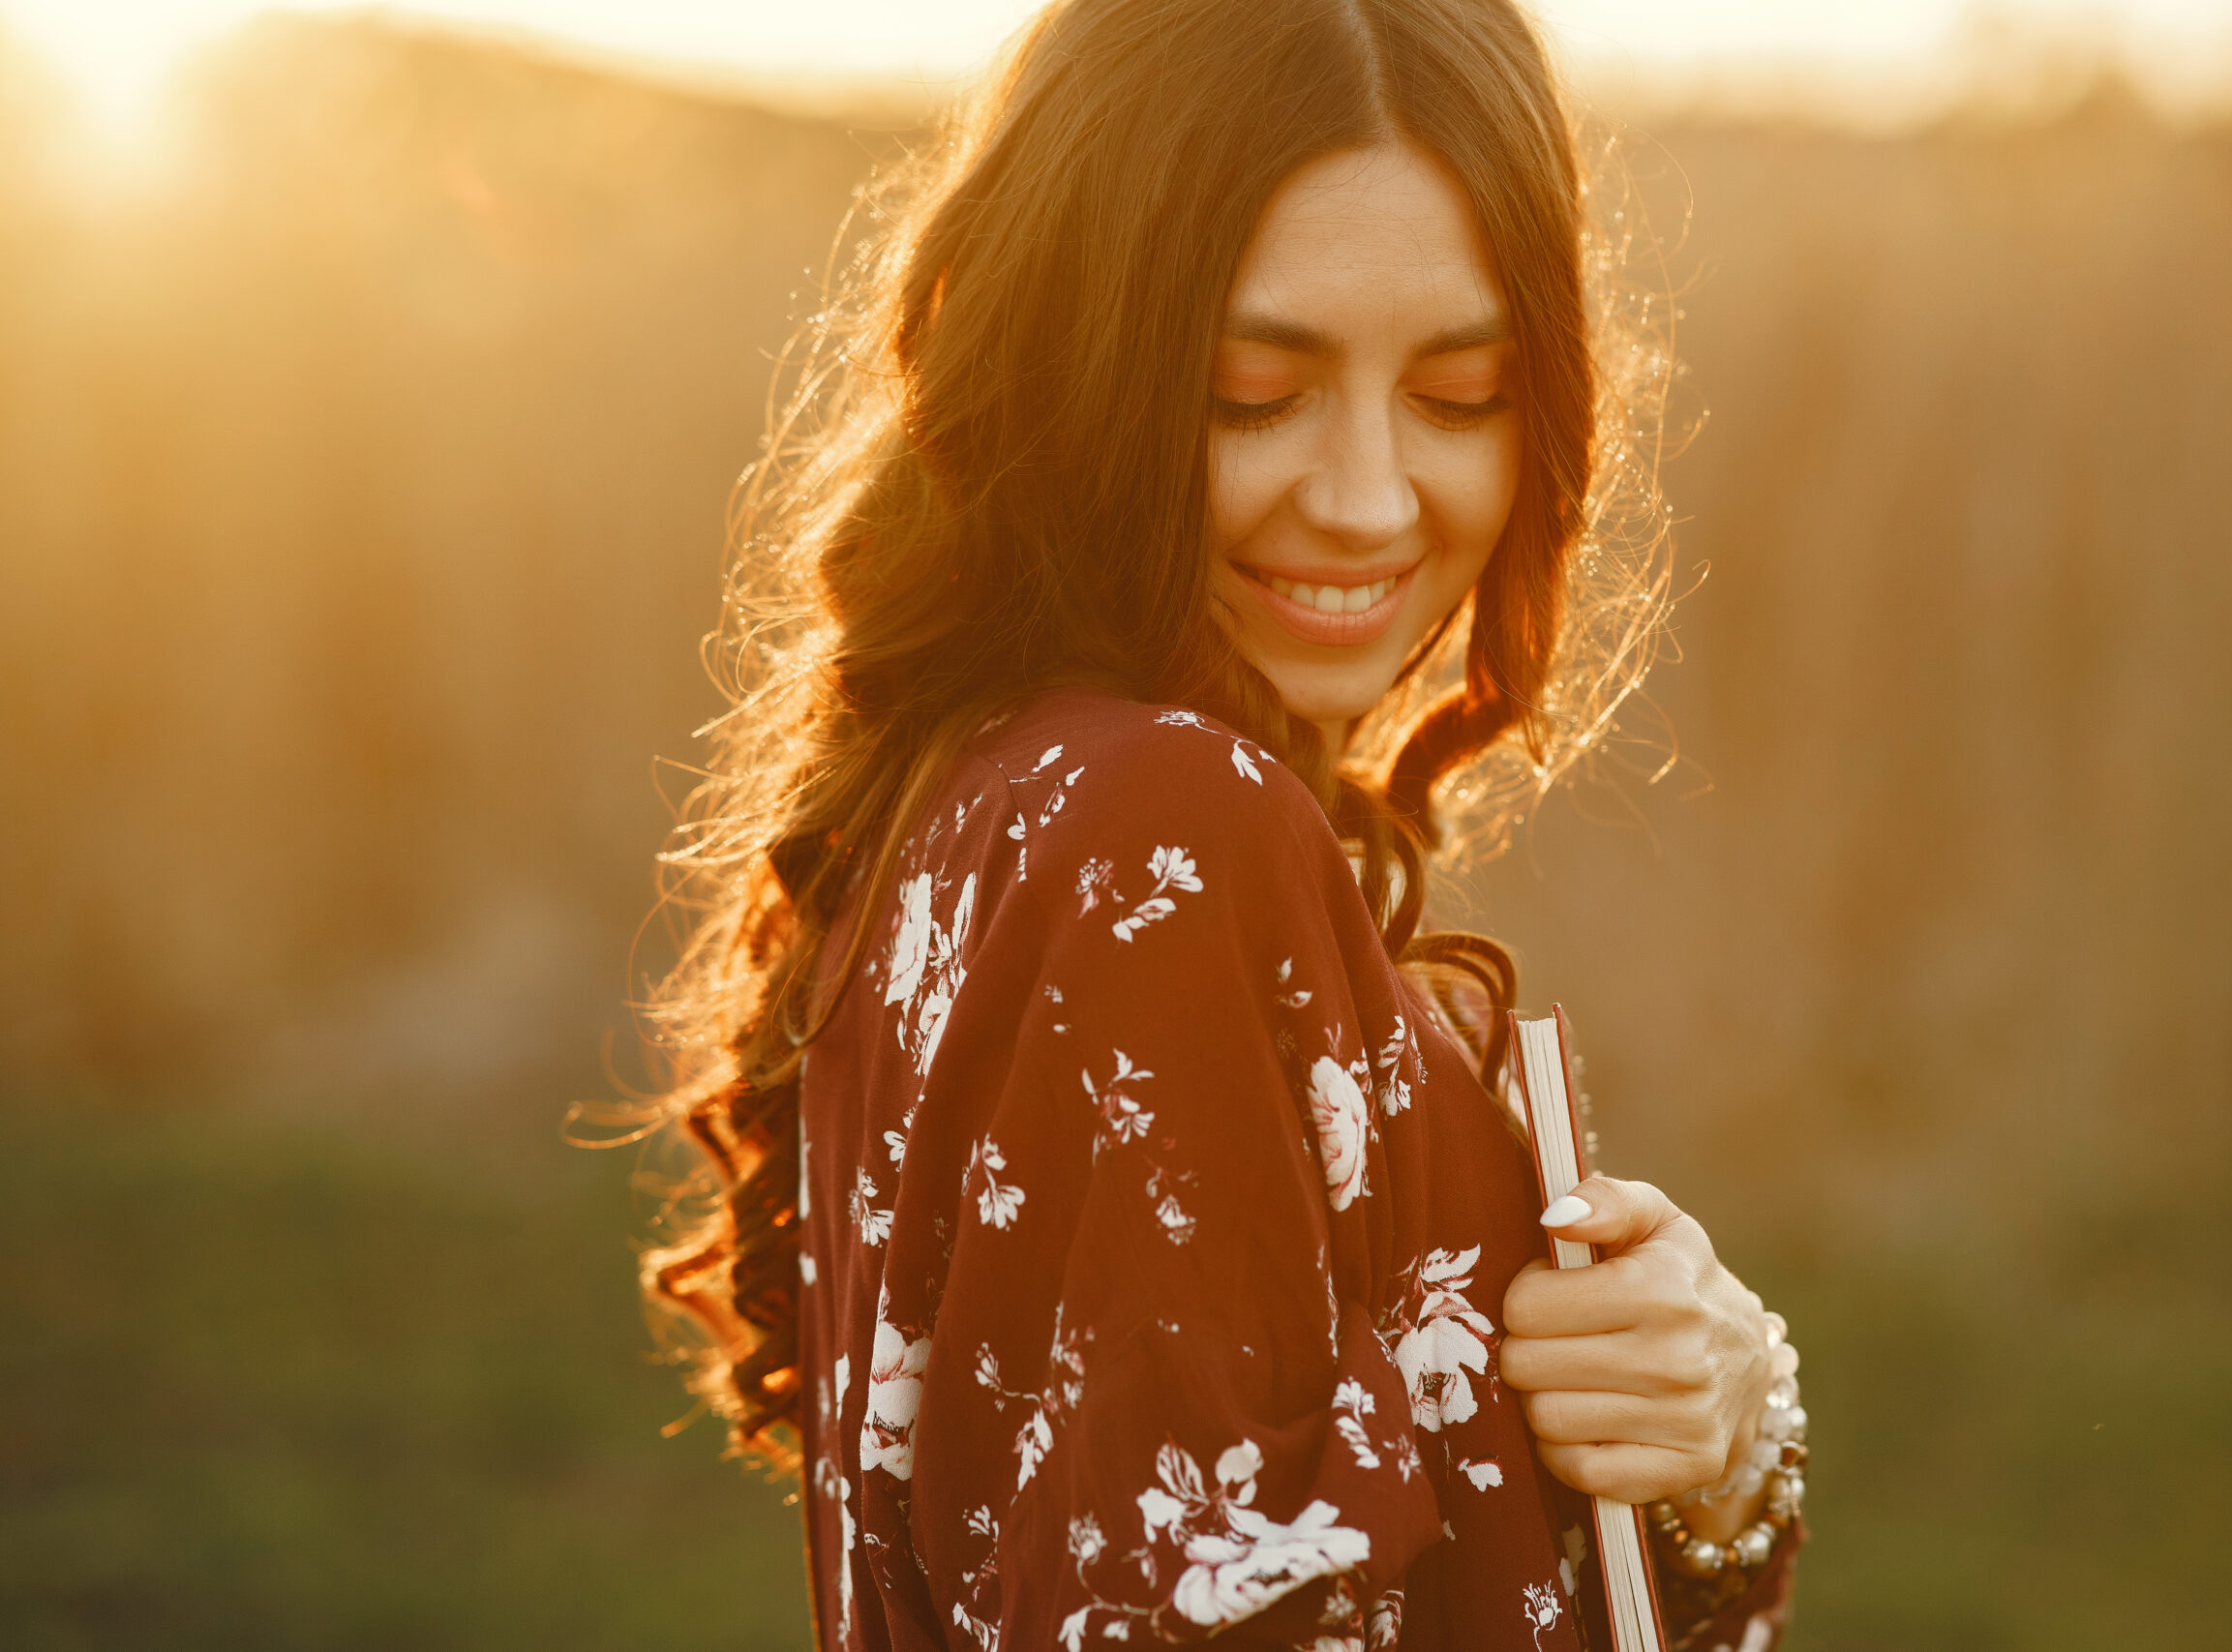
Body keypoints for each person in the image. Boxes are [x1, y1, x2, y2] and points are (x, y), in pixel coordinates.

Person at [636, 0, 1807, 1646]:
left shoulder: (988, 805)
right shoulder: (1152, 833)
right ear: (1079, 370)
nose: (1368, 497)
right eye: (1257, 392)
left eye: (1462, 395)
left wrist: (1721, 1442)